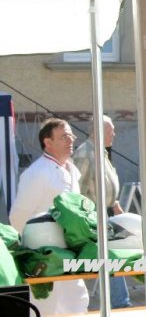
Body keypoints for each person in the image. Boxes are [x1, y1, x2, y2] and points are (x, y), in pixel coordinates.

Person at [9, 118, 89, 315]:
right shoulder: (37, 173)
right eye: (64, 136)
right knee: (45, 305)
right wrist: (31, 249)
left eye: (71, 135)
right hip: (44, 255)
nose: (71, 140)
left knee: (76, 302)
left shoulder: (72, 170)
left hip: (70, 251)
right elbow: (18, 215)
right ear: (48, 142)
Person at [72, 115, 131, 308]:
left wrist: (114, 203)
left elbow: (100, 185)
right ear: (97, 131)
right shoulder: (85, 154)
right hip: (93, 215)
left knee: (110, 257)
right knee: (108, 257)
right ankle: (120, 303)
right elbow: (77, 191)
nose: (114, 134)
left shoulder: (99, 152)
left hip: (103, 212)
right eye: (110, 130)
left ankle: (120, 302)